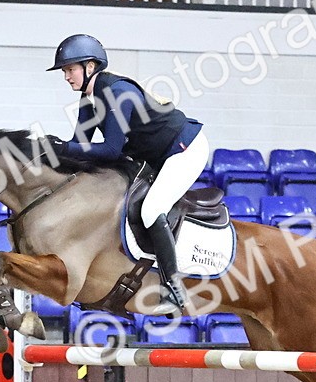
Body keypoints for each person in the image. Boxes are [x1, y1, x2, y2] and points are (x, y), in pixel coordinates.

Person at [49, 33, 208, 312]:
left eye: (70, 69)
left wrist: (62, 147)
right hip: (154, 154)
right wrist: (47, 155)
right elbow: (78, 148)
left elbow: (110, 150)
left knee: (151, 209)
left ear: (90, 67)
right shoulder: (90, 100)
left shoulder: (117, 93)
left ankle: (173, 287)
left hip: (184, 150)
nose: (66, 76)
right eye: (64, 70)